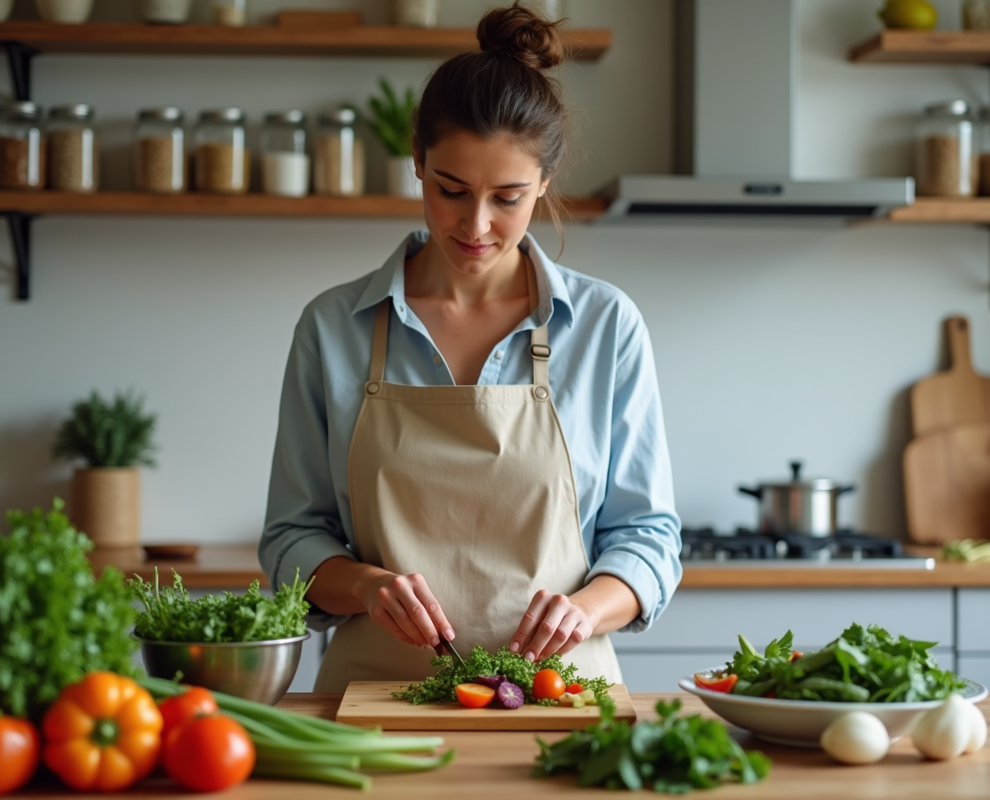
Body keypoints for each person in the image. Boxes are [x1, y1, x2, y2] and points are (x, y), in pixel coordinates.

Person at [259, 2, 681, 693]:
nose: (476, 225)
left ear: (545, 183)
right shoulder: (334, 327)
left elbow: (649, 538)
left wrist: (585, 609)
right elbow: (291, 539)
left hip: (559, 700)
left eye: (508, 198)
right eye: (451, 190)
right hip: (374, 702)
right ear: (417, 162)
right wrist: (367, 588)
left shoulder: (605, 325)